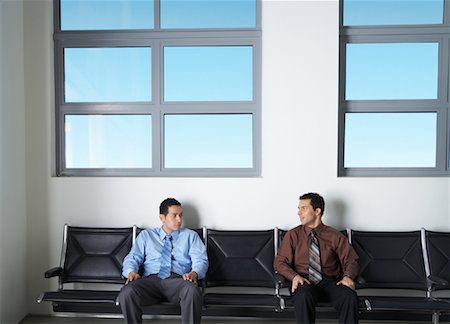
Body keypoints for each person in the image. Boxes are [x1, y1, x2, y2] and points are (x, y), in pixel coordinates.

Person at [119, 198, 208, 324]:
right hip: (150, 281)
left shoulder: (190, 236)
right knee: (127, 292)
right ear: (162, 217)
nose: (179, 219)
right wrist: (131, 272)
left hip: (178, 281)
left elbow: (201, 260)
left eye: (181, 215)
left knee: (192, 290)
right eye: (174, 215)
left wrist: (195, 273)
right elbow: (132, 257)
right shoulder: (146, 236)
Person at [274, 193, 359, 324]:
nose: (298, 212)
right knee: (303, 296)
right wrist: (294, 277)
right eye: (298, 208)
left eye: (303, 208)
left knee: (349, 296)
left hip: (331, 282)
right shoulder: (293, 235)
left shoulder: (334, 236)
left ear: (317, 211)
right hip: (304, 281)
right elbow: (280, 262)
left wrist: (348, 276)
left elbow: (351, 259)